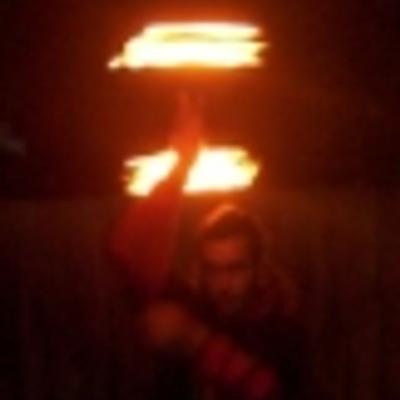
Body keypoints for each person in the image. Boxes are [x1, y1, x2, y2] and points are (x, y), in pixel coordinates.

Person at [109, 96, 312, 400]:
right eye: (213, 270)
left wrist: (195, 341)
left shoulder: (281, 330)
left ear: (258, 269)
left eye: (235, 269)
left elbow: (268, 390)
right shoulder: (196, 306)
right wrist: (182, 165)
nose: (224, 285)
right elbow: (128, 247)